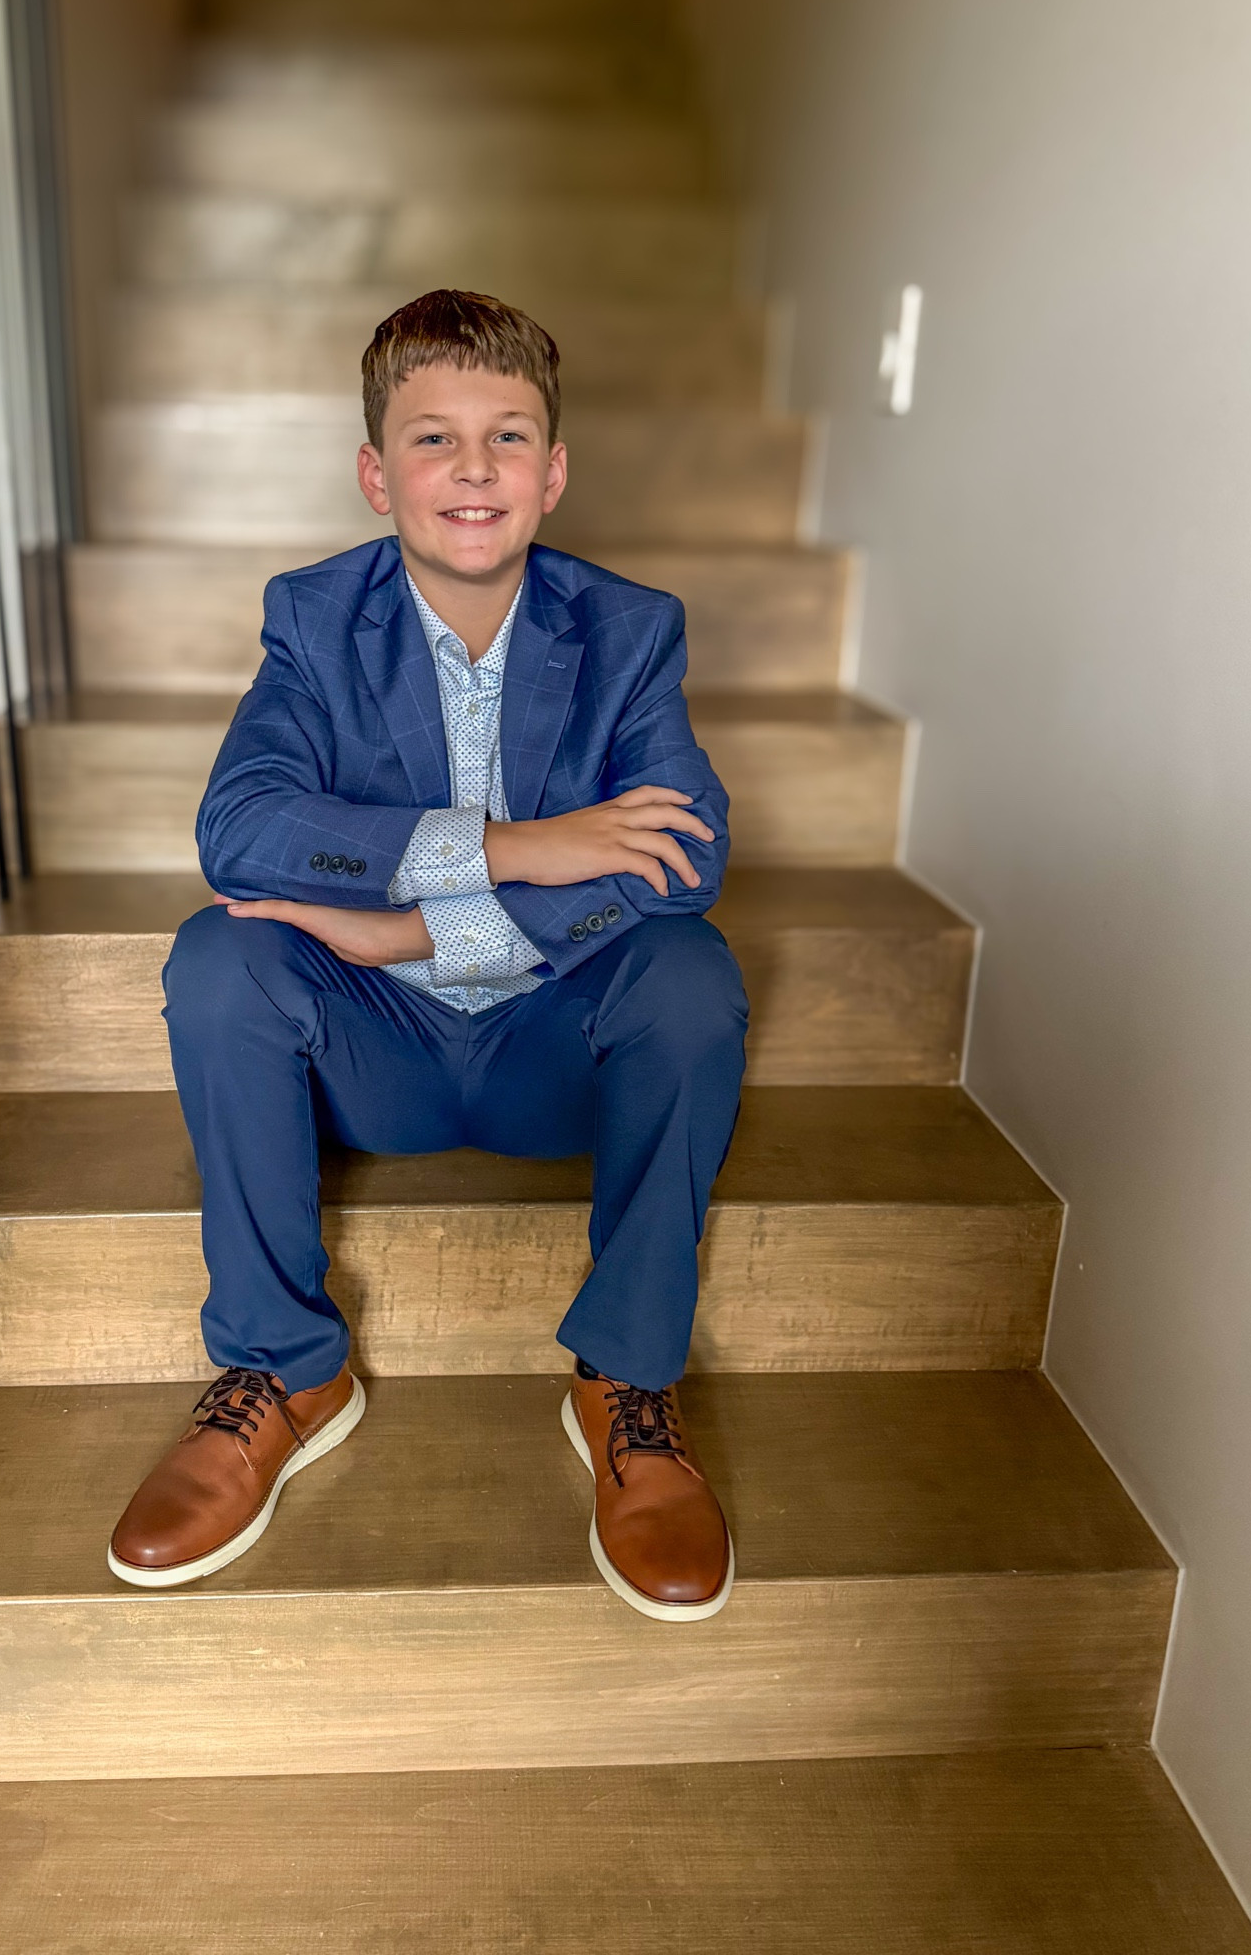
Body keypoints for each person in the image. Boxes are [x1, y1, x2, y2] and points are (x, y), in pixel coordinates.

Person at [107, 290, 749, 1621]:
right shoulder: (313, 618)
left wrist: (415, 923)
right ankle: (286, 1370)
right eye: (432, 440)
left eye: (507, 438)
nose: (472, 470)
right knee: (218, 960)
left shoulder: (625, 631)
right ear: (374, 473)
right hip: (375, 1055)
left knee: (691, 975)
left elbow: (683, 860)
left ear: (553, 472)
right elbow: (241, 832)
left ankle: (623, 1380)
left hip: (545, 1048)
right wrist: (520, 845)